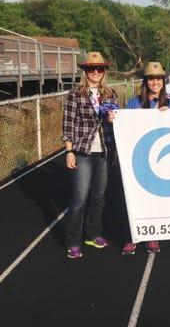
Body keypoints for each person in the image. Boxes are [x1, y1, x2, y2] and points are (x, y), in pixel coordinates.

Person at [62, 52, 118, 259]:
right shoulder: (75, 94)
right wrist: (69, 151)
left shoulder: (111, 94)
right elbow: (68, 123)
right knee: (79, 198)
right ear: (84, 71)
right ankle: (73, 241)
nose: (96, 72)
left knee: (99, 196)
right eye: (91, 69)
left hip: (104, 151)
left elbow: (117, 123)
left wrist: (114, 120)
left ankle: (93, 233)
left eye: (100, 68)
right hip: (83, 151)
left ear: (104, 72)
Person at [120, 61, 170, 255]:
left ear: (163, 81)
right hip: (137, 158)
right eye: (151, 79)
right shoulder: (134, 103)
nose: (155, 82)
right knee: (134, 199)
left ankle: (152, 236)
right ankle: (133, 236)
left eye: (158, 79)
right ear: (146, 82)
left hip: (161, 160)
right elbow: (124, 128)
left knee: (155, 198)